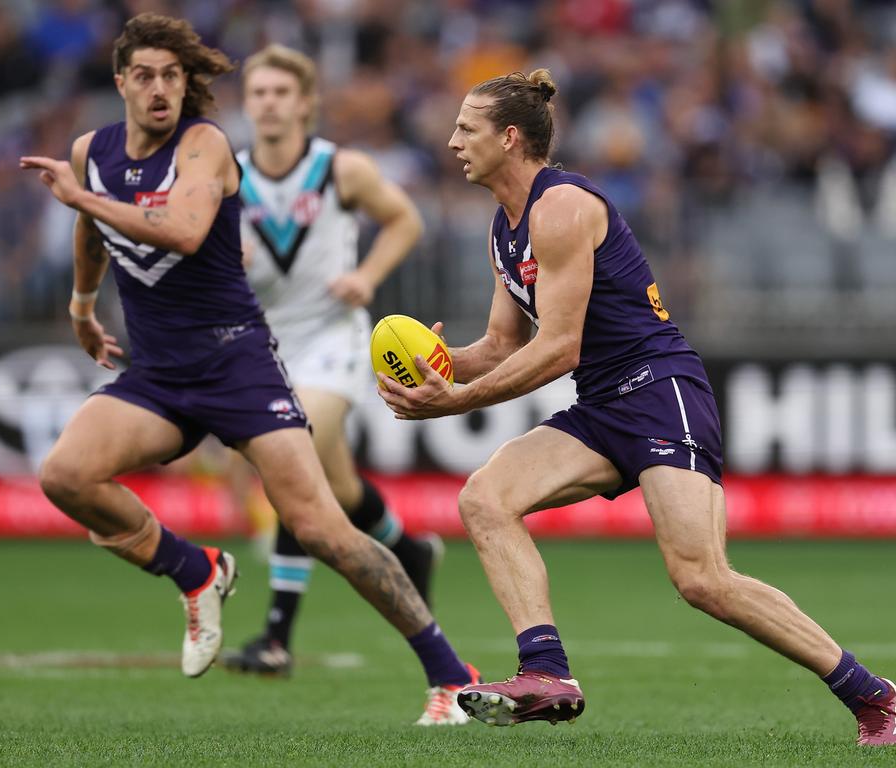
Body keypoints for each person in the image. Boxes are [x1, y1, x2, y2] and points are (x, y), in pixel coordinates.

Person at [377, 69, 895, 746]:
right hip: (601, 404)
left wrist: (457, 401)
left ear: (509, 137)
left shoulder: (560, 208)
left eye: (466, 128)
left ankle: (875, 696)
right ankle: (547, 673)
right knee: (484, 499)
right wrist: (440, 369)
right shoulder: (502, 229)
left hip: (659, 391)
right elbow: (504, 342)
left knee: (702, 579)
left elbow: (558, 347)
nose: (451, 142)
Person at [19, 13, 476, 725]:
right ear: (120, 83)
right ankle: (195, 570)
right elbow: (92, 233)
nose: (160, 87)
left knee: (323, 526)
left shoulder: (202, 146)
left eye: (173, 74)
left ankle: (451, 675)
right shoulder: (92, 153)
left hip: (239, 364)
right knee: (65, 475)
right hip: (159, 374)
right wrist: (82, 306)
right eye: (145, 75)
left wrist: (82, 197)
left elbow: (183, 230)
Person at [219, 44, 443, 679]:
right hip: (266, 344)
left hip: (334, 338)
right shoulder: (227, 177)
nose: (267, 103)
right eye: (258, 92)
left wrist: (367, 275)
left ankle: (276, 638)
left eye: (280, 92)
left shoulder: (341, 168)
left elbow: (405, 221)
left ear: (306, 103)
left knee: (297, 445)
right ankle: (409, 551)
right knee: (334, 488)